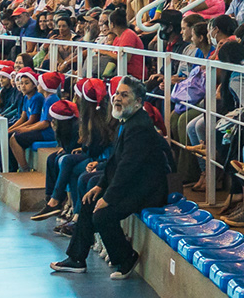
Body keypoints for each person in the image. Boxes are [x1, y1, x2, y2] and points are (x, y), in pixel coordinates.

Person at [52, 76, 169, 279]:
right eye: (117, 94)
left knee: (102, 215)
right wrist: (100, 186)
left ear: (138, 101)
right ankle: (76, 259)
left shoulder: (139, 126)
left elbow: (128, 168)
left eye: (125, 95)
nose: (117, 98)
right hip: (134, 184)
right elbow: (116, 161)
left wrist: (108, 197)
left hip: (148, 191)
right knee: (88, 200)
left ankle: (126, 257)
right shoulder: (127, 120)